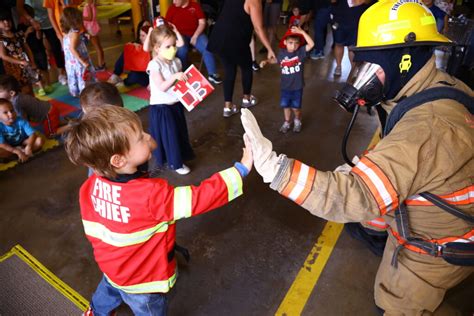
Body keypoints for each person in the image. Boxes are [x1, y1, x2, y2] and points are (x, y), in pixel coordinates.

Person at [241, 0, 473, 314]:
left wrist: (276, 169)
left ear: (405, 59)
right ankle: (376, 231)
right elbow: (408, 155)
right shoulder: (436, 87)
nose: (362, 76)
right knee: (368, 213)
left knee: (395, 299)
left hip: (435, 244)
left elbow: (354, 194)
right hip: (434, 201)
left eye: (372, 65)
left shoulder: (427, 128)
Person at [64, 105, 253, 315]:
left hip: (113, 270)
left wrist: (143, 144)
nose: (148, 136)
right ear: (118, 160)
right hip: (143, 284)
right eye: (140, 137)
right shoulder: (151, 196)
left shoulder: (89, 187)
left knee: (107, 293)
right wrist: (241, 169)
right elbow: (199, 198)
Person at [207, 0, 276, 117]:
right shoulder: (254, 1)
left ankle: (227, 107)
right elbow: (258, 28)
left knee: (229, 70)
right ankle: (247, 99)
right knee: (247, 67)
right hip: (235, 40)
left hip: (219, 36)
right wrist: (270, 49)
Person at [145, 25, 195, 175]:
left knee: (179, 133)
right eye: (168, 46)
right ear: (157, 48)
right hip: (162, 107)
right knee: (170, 136)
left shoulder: (176, 61)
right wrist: (175, 77)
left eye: (173, 45)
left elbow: (182, 44)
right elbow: (161, 86)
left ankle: (180, 155)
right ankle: (175, 163)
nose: (173, 48)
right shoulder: (154, 64)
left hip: (175, 104)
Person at [260, 26, 314, 133]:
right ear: (285, 42)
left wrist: (302, 32)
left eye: (296, 43)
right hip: (285, 87)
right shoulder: (282, 53)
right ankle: (287, 122)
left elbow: (312, 44)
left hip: (297, 87)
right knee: (286, 106)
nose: (293, 46)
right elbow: (276, 60)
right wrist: (266, 61)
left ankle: (298, 120)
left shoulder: (301, 53)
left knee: (296, 108)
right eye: (290, 43)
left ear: (299, 44)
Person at [165, 0, 222, 85]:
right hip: (179, 35)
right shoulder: (172, 8)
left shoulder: (195, 6)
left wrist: (195, 36)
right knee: (181, 50)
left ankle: (212, 74)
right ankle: (183, 73)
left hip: (196, 33)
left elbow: (202, 22)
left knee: (207, 46)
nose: (174, 2)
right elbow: (167, 25)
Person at [17, 0, 67, 87]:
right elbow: (19, 7)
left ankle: (61, 74)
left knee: (56, 47)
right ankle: (43, 80)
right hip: (33, 22)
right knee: (39, 51)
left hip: (50, 21)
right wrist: (30, 19)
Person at [0, 74, 68, 137]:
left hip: (48, 114)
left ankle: (72, 126)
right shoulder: (16, 96)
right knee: (52, 124)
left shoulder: (16, 102)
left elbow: (23, 120)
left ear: (11, 93)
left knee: (50, 134)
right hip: (49, 110)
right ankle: (66, 122)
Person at [0, 11, 45, 96]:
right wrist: (20, 62)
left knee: (30, 86)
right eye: (2, 21)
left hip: (25, 64)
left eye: (8, 20)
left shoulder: (19, 34)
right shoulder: (1, 39)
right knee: (20, 89)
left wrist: (32, 61)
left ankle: (33, 104)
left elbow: (27, 48)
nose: (6, 23)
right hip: (13, 68)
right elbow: (3, 56)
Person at [60, 7, 95, 97]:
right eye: (81, 21)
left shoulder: (67, 32)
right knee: (84, 77)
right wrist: (83, 62)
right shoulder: (75, 34)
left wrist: (83, 35)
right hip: (78, 61)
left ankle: (78, 91)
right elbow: (72, 48)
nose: (82, 23)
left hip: (71, 63)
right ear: (75, 21)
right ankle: (85, 94)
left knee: (76, 77)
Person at [331, 0, 371, 76]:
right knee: (339, 44)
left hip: (357, 20)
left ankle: (353, 69)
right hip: (340, 19)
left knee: (352, 47)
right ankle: (338, 66)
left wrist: (362, 1)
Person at [108, 20, 151, 87]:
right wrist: (131, 48)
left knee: (135, 76)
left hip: (149, 75)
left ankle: (124, 82)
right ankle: (115, 75)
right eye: (143, 27)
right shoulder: (136, 43)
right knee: (126, 52)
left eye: (148, 27)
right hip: (138, 70)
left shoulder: (154, 44)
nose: (145, 29)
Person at [0, 98, 44, 162]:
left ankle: (22, 153)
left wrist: (29, 146)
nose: (10, 114)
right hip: (9, 146)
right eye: (5, 112)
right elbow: (2, 144)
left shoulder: (21, 120)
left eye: (12, 110)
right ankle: (20, 154)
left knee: (40, 141)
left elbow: (32, 134)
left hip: (24, 142)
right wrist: (16, 151)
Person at [83, 0, 105, 69]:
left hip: (91, 28)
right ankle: (102, 63)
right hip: (94, 26)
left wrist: (80, 16)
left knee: (97, 47)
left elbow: (90, 18)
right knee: (99, 46)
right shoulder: (93, 4)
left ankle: (100, 65)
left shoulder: (88, 5)